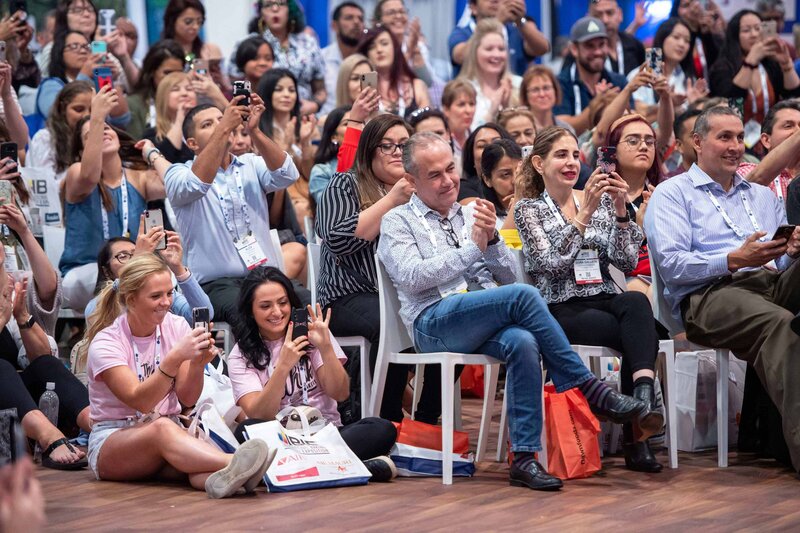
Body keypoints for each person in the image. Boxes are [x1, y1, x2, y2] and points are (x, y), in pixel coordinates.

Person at [377, 131, 646, 490]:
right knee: (523, 297)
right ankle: (588, 387)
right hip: (433, 322)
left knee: (522, 342)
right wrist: (474, 248)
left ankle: (523, 459)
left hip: (482, 316)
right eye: (434, 175)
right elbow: (413, 278)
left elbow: (508, 273)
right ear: (410, 181)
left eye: (450, 170)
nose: (448, 181)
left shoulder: (471, 212)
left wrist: (490, 242)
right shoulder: (397, 221)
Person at [645, 105, 800, 476]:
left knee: (783, 306)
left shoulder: (762, 196)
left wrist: (789, 252)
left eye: (738, 137)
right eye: (724, 137)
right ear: (697, 142)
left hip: (769, 284)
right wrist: (733, 259)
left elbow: (778, 265)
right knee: (781, 324)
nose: (735, 146)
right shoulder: (673, 193)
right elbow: (673, 266)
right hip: (710, 296)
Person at [515, 126, 664, 471]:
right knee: (641, 333)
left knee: (637, 302)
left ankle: (640, 397)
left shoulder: (598, 201)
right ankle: (636, 437)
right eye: (560, 155)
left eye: (573, 155)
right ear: (538, 163)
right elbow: (549, 265)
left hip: (603, 296)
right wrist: (584, 215)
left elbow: (626, 262)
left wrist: (622, 211)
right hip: (558, 306)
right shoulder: (529, 210)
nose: (571, 162)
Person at [84, 253, 273, 497]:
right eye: (156, 296)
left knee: (200, 471)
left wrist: (196, 364)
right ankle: (238, 462)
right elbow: (140, 400)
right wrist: (174, 358)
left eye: (170, 293)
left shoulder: (176, 325)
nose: (166, 302)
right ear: (131, 300)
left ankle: (234, 475)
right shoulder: (107, 342)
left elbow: (186, 399)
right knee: (163, 429)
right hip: (115, 439)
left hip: (168, 431)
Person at [315, 114, 439, 423]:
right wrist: (392, 200)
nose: (398, 152)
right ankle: (386, 421)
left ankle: (425, 420)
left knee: (450, 322)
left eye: (403, 145)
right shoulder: (345, 183)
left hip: (402, 293)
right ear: (370, 149)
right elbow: (336, 240)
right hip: (348, 296)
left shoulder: (419, 194)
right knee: (394, 322)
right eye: (388, 145)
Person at [227, 266, 398, 480]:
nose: (277, 312)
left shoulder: (313, 334)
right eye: (265, 306)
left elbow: (341, 393)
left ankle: (301, 469)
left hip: (326, 433)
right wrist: (282, 368)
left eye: (282, 303)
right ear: (250, 311)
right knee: (246, 431)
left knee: (382, 428)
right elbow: (259, 415)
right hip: (283, 438)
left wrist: (326, 348)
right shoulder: (240, 355)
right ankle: (343, 465)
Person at [164, 95, 302, 324]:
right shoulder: (177, 174)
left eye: (221, 119)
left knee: (305, 305)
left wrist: (255, 131)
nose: (220, 125)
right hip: (215, 284)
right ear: (192, 144)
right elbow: (197, 185)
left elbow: (287, 174)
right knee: (249, 312)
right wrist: (226, 126)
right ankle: (259, 362)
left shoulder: (250, 163)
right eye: (208, 125)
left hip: (263, 276)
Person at [60, 87, 164, 313]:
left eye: (107, 128)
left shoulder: (139, 178)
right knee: (133, 282)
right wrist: (97, 117)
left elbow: (177, 186)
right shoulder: (76, 173)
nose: (103, 132)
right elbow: (90, 175)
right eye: (92, 135)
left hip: (133, 269)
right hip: (84, 273)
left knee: (161, 281)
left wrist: (153, 154)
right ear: (82, 151)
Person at [0, 245, 90, 470]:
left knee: (47, 365)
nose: (7, 276)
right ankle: (49, 437)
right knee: (1, 367)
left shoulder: (4, 303)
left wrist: (21, 315)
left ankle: (102, 425)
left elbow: (42, 356)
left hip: (14, 405)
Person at [84, 219, 213, 325]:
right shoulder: (96, 305)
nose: (132, 260)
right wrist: (137, 262)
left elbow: (203, 315)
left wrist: (178, 268)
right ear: (106, 271)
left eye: (135, 254)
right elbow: (96, 315)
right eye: (123, 256)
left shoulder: (161, 292)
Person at [602, 114, 664, 296]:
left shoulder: (667, 192)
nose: (644, 146)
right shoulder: (599, 197)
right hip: (616, 281)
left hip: (663, 275)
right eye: (633, 141)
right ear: (612, 151)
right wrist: (639, 228)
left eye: (649, 141)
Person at [709, 10, 800, 132]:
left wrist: (786, 63)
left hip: (769, 135)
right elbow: (732, 100)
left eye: (758, 29)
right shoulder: (723, 67)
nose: (754, 34)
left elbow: (793, 96)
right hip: (734, 135)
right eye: (746, 30)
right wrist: (751, 60)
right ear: (735, 36)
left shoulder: (770, 63)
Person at [257, 68, 317, 226]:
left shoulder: (306, 126)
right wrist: (286, 146)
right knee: (302, 208)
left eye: (291, 90)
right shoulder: (258, 131)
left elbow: (310, 174)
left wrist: (304, 143)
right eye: (279, 89)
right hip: (279, 193)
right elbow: (267, 175)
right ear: (267, 93)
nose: (286, 95)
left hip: (305, 189)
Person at [554, 17, 630, 135]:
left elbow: (632, 121)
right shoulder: (560, 83)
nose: (598, 52)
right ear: (574, 49)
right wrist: (598, 104)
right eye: (590, 46)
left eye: (601, 45)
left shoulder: (619, 81)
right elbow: (563, 129)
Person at [248, 0, 326, 115]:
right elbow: (237, 83)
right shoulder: (250, 44)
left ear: (290, 10)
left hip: (304, 116)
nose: (275, 9)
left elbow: (321, 89)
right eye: (268, 5)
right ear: (261, 13)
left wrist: (315, 105)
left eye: (281, 4)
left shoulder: (308, 43)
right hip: (265, 116)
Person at [36, 30, 129, 126]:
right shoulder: (50, 85)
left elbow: (122, 120)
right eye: (74, 46)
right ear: (59, 53)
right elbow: (57, 115)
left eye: (86, 47)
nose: (83, 51)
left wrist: (113, 81)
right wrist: (84, 74)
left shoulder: (95, 84)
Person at [626, 17, 709, 116]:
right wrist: (668, 103)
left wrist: (695, 105)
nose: (682, 44)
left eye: (687, 41)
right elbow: (638, 112)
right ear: (662, 37)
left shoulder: (689, 80)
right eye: (676, 37)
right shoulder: (641, 74)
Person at [448, 0, 549, 77]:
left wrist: (519, 19)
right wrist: (498, 21)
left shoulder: (515, 31)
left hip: (513, 100)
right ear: (473, 7)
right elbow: (460, 56)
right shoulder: (462, 33)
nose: (495, 0)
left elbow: (543, 48)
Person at [457, 18, 520, 130]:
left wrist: (507, 108)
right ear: (475, 52)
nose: (496, 54)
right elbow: (465, 137)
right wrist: (492, 111)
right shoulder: (461, 90)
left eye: (501, 49)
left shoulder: (519, 84)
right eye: (489, 49)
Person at [355, 27, 429, 117]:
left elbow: (428, 125)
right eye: (372, 47)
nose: (379, 50)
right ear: (366, 54)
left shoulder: (417, 86)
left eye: (384, 43)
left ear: (395, 48)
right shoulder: (361, 88)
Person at [562, 0, 645, 77]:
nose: (605, 20)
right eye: (597, 15)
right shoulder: (579, 53)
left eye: (610, 13)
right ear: (588, 18)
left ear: (620, 15)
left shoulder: (634, 44)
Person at [737, 100, 800, 200]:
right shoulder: (746, 170)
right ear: (766, 140)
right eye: (788, 126)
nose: (797, 131)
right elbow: (755, 180)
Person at [126, 40, 186, 141]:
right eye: (168, 73)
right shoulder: (134, 104)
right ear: (152, 72)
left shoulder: (188, 100)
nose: (173, 79)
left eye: (179, 73)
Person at [373, 0, 438, 88]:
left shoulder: (417, 44)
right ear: (379, 20)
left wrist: (415, 50)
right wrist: (409, 52)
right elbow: (386, 79)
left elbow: (427, 83)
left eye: (402, 11)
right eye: (391, 12)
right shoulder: (373, 46)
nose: (398, 16)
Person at [320, 2, 364, 115]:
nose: (356, 22)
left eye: (360, 18)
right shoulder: (321, 59)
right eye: (349, 18)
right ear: (334, 26)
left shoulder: (368, 60)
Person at [459, 122, 513, 202]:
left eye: (496, 143)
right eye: (482, 146)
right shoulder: (464, 188)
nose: (490, 149)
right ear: (472, 158)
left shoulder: (521, 182)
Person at [161, 0, 223, 67]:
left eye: (199, 22)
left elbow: (208, 75)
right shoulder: (162, 53)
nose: (195, 27)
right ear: (172, 21)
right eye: (188, 22)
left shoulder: (209, 51)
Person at [310, 105, 350, 205]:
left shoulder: (375, 164)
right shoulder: (322, 172)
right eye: (347, 124)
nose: (355, 128)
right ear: (334, 137)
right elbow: (331, 208)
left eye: (360, 123)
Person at [520, 65, 575, 133]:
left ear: (555, 90)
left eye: (546, 88)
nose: (542, 94)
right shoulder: (521, 130)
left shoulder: (566, 129)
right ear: (525, 95)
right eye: (535, 90)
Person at [479, 138, 521, 228]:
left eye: (520, 172)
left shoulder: (537, 205)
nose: (515, 180)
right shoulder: (481, 212)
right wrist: (516, 205)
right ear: (487, 179)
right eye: (506, 174)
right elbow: (504, 242)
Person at [441, 79, 476, 160]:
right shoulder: (441, 141)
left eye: (472, 104)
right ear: (446, 109)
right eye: (461, 104)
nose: (468, 110)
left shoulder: (477, 138)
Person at [667, 108, 703, 177]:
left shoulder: (726, 177)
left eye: (706, 134)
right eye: (695, 136)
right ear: (679, 145)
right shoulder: (668, 185)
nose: (703, 140)